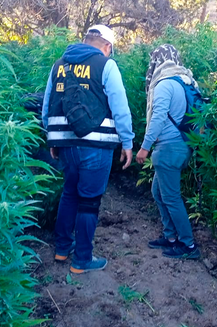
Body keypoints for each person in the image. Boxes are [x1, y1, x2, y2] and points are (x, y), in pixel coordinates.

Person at [42, 24, 134, 273]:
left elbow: (48, 103)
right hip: (97, 145)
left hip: (65, 145)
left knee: (69, 193)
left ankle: (62, 250)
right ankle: (82, 260)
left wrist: (53, 139)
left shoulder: (58, 65)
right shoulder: (106, 65)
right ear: (107, 46)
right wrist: (127, 142)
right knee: (89, 202)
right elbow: (119, 106)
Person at [135, 44, 201, 260]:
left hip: (169, 148)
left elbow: (158, 117)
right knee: (158, 192)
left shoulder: (164, 84)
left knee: (171, 198)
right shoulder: (186, 80)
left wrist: (144, 148)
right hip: (183, 146)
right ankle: (170, 237)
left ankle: (188, 245)